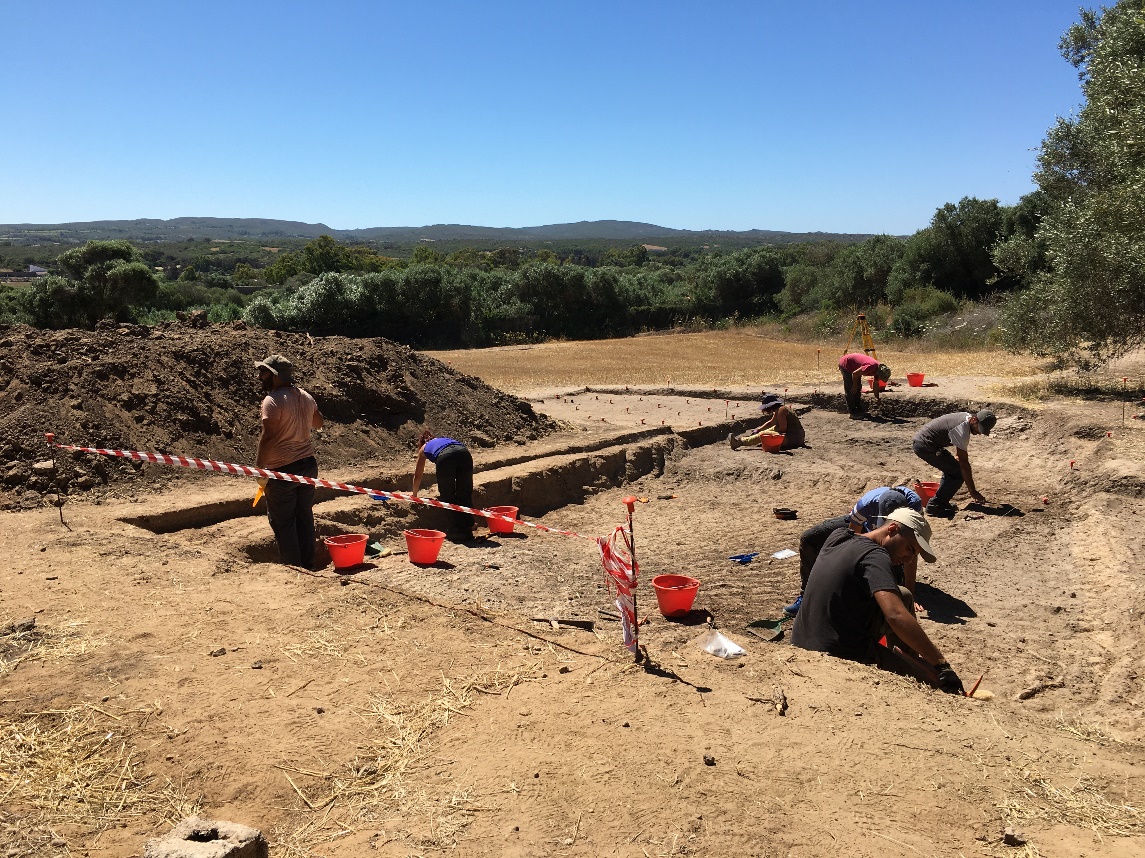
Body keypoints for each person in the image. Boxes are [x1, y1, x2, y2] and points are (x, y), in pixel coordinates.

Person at [791, 507, 965, 694]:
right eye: (910, 549)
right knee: (928, 684)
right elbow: (895, 615)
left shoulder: (839, 536)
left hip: (800, 640)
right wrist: (941, 665)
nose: (909, 559)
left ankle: (909, 657)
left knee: (904, 594)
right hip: (839, 653)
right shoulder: (875, 556)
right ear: (891, 530)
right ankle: (935, 680)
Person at [785, 485, 924, 615]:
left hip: (893, 536)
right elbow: (853, 542)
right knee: (809, 539)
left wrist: (911, 595)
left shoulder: (914, 508)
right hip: (865, 528)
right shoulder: (866, 504)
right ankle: (806, 597)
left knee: (893, 572)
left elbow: (912, 551)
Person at [255, 354, 323, 568]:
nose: (260, 376)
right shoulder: (305, 396)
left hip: (282, 470)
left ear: (274, 375)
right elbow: (319, 423)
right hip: (308, 465)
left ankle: (295, 569)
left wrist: (260, 469)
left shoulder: (272, 401)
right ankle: (308, 563)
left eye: (263, 372)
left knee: (284, 522)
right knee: (304, 515)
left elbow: (269, 437)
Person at [912, 409, 996, 516]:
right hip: (925, 445)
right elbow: (964, 464)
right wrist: (972, 491)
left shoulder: (967, 417)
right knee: (957, 473)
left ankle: (941, 502)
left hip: (928, 442)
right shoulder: (962, 430)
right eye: (979, 429)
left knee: (952, 469)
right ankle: (935, 506)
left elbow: (959, 456)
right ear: (974, 420)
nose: (979, 433)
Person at [411, 431, 475, 541]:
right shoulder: (444, 440)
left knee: (447, 495)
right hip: (464, 453)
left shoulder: (424, 448)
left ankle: (459, 530)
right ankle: (469, 524)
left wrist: (414, 494)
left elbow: (418, 475)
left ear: (421, 443)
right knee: (465, 492)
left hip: (446, 457)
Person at [728, 393, 806, 450]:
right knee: (769, 430)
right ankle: (746, 439)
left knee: (764, 434)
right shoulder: (780, 409)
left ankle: (739, 442)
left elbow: (783, 428)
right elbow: (771, 423)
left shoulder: (781, 411)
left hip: (794, 438)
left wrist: (767, 435)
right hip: (798, 437)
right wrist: (758, 429)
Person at [838, 352, 890, 417]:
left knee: (858, 388)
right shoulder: (871, 366)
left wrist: (877, 398)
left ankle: (858, 409)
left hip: (855, 368)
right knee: (851, 389)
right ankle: (853, 413)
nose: (880, 379)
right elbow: (855, 374)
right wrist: (854, 385)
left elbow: (876, 384)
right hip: (846, 364)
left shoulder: (879, 370)